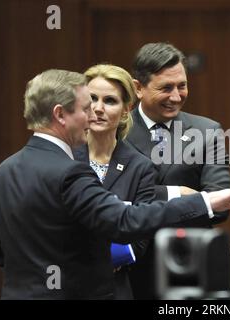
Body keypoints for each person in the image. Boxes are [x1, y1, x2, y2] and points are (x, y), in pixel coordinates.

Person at [0, 69, 230, 299]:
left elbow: (0, 251)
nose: (91, 115)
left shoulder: (5, 170)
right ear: (60, 114)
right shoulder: (69, 172)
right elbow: (125, 220)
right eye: (85, 107)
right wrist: (205, 200)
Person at [126, 42, 230, 299]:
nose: (176, 96)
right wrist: (174, 194)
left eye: (181, 86)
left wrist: (139, 205)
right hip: (130, 272)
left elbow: (219, 204)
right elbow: (107, 200)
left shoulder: (208, 132)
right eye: (165, 88)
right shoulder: (117, 133)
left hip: (190, 269)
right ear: (138, 88)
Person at [73, 64, 155, 299]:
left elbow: (137, 241)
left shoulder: (140, 167)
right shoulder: (63, 157)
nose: (98, 109)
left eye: (109, 101)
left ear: (127, 109)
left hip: (113, 288)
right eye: (92, 99)